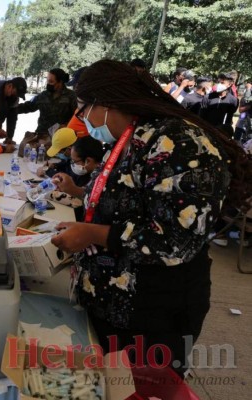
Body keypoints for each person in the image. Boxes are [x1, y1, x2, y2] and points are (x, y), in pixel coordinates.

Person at [51, 60, 252, 378]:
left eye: (83, 108)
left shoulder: (181, 144)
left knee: (140, 387)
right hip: (111, 302)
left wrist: (95, 234)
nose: (80, 118)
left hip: (151, 315)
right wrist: (83, 217)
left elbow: (176, 240)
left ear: (108, 102)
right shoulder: (132, 137)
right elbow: (120, 201)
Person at [51, 136, 105, 221]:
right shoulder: (94, 173)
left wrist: (72, 189)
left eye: (74, 161)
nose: (72, 164)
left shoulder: (103, 178)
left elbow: (92, 198)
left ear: (88, 161)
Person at [17, 68, 77, 134]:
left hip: (61, 136)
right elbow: (27, 106)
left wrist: (66, 125)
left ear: (60, 82)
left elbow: (78, 116)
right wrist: (9, 108)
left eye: (51, 82)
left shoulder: (71, 96)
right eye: (47, 81)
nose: (48, 84)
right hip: (42, 135)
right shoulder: (43, 95)